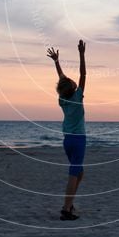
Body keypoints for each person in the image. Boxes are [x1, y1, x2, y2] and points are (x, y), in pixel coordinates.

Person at [47, 40, 86, 221]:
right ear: (73, 88)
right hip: (78, 140)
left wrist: (56, 62)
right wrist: (81, 53)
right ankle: (66, 208)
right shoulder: (77, 97)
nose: (70, 79)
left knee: (79, 173)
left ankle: (69, 205)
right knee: (73, 173)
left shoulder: (63, 99)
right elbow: (83, 73)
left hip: (67, 141)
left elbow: (63, 80)